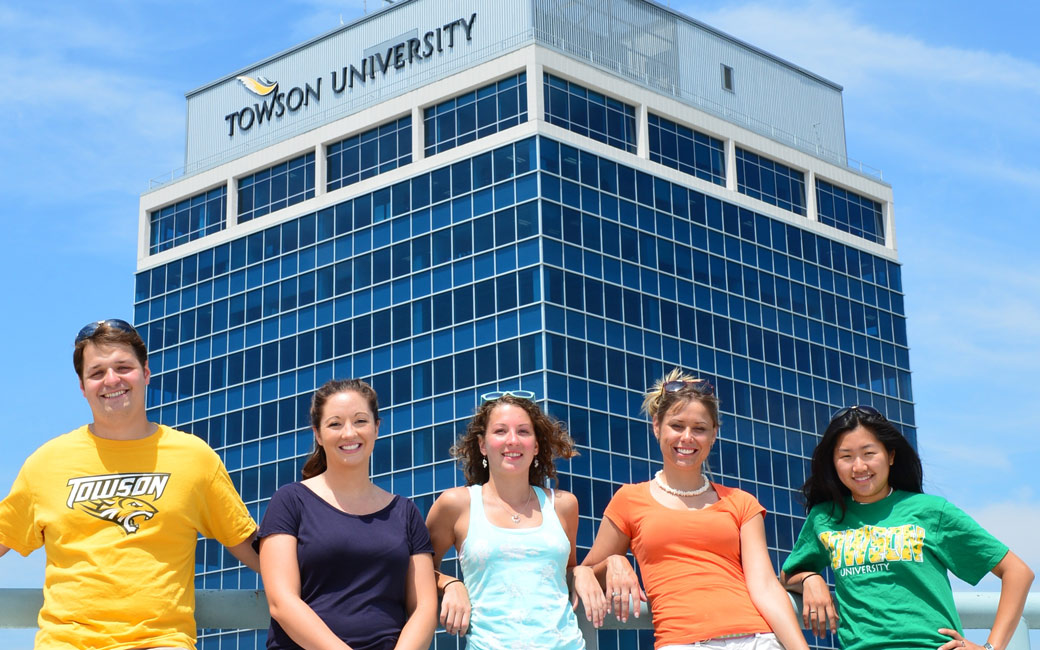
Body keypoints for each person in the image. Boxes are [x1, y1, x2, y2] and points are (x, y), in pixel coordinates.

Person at [0, 318, 259, 650]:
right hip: (66, 641)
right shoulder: (46, 463)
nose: (111, 380)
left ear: (146, 374)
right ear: (82, 386)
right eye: (96, 373)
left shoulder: (195, 458)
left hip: (160, 642)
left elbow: (249, 543)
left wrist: (330, 583)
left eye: (123, 367)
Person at [574, 369, 810, 650]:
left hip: (758, 640)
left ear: (713, 435)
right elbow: (584, 573)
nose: (687, 437)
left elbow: (766, 587)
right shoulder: (629, 499)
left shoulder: (741, 502)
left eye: (699, 428)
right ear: (656, 426)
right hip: (682, 642)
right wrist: (615, 562)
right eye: (677, 426)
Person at [780, 405, 1034, 650]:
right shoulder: (826, 517)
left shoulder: (930, 511)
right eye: (846, 456)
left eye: (869, 453)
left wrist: (991, 647)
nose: (859, 467)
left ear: (890, 456)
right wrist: (811, 579)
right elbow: (788, 575)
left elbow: (1017, 572)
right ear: (834, 464)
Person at [257, 378, 437, 650]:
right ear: (318, 434)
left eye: (360, 421)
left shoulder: (406, 512)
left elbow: (424, 607)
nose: (349, 433)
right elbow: (282, 602)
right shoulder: (290, 501)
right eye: (335, 423)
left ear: (377, 428)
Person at [425, 390, 586, 649]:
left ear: (536, 446)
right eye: (500, 431)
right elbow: (417, 569)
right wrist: (450, 584)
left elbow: (563, 573)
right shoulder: (456, 504)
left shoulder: (564, 505)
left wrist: (582, 571)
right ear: (482, 444)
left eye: (523, 432)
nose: (512, 440)